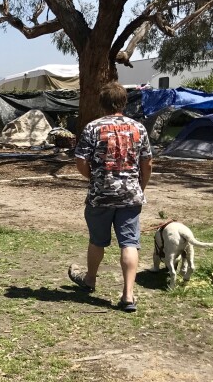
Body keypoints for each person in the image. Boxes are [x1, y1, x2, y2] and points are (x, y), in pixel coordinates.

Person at [68, 82, 152, 312]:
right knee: (130, 243)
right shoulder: (139, 128)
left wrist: (94, 178)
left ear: (101, 103)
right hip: (130, 194)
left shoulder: (92, 128)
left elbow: (80, 161)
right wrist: (140, 187)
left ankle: (90, 280)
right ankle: (128, 295)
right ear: (124, 102)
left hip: (100, 194)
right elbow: (147, 163)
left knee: (97, 240)